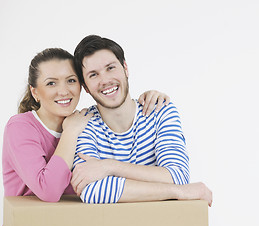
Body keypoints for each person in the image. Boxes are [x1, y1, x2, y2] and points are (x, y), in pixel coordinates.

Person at [1, 48, 169, 226]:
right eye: (51, 83)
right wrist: (71, 132)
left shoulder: (86, 122)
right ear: (35, 92)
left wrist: (148, 99)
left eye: (71, 80)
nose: (63, 91)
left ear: (83, 86)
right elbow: (49, 191)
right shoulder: (21, 127)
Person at [71, 35, 213, 206]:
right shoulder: (82, 125)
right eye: (93, 75)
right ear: (85, 87)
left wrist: (109, 167)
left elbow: (177, 176)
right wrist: (178, 192)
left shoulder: (160, 110)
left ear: (125, 68)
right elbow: (91, 190)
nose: (105, 80)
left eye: (110, 68)